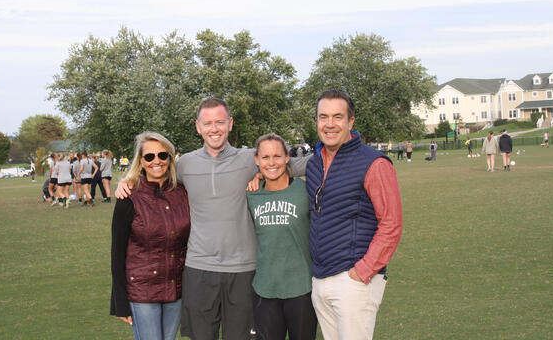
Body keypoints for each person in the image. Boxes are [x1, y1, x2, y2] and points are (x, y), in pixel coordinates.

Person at [116, 97, 309, 340]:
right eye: (208, 123)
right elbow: (154, 175)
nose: (214, 128)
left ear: (230, 124)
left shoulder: (252, 159)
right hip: (198, 270)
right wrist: (128, 182)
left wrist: (340, 147)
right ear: (198, 127)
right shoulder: (185, 164)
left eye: (220, 122)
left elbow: (304, 165)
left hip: (244, 270)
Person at [306, 90, 402, 340]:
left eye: (338, 117)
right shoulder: (314, 163)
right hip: (320, 279)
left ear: (350, 122)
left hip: (354, 281)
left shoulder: (374, 163)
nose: (329, 124)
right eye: (323, 117)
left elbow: (391, 224)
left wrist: (363, 271)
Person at [110, 131, 191, 340]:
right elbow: (117, 253)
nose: (157, 161)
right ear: (141, 161)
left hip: (176, 288)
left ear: (170, 158)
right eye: (149, 156)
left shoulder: (183, 193)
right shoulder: (129, 197)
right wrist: (119, 301)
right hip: (142, 291)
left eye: (163, 155)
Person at [246, 134, 317, 340]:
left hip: (301, 288)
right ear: (256, 160)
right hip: (265, 288)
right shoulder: (251, 194)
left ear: (287, 157)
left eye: (277, 156)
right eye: (265, 157)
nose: (271, 163)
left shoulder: (305, 191)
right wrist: (257, 178)